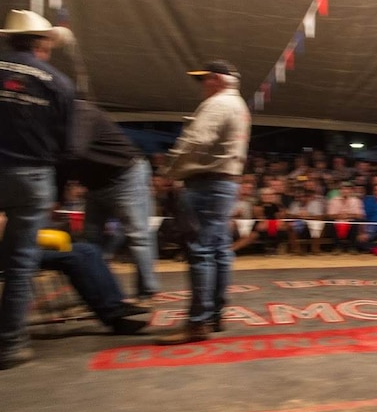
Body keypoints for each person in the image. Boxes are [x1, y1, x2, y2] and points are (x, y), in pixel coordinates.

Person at [0, 10, 75, 370]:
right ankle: (10, 344)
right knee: (19, 262)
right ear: (43, 43)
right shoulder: (57, 82)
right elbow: (65, 145)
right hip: (31, 175)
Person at [156, 60, 250, 344]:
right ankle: (214, 315)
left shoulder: (217, 105)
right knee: (219, 249)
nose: (202, 85)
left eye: (206, 79)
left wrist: (169, 172)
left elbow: (195, 142)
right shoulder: (239, 105)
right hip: (225, 182)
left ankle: (198, 322)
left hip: (207, 183)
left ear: (217, 79)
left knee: (201, 252)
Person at [60, 99, 160, 302]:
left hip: (126, 176)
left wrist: (57, 193)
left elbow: (74, 151)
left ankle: (148, 292)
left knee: (137, 235)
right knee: (91, 239)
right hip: (96, 184)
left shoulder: (81, 111)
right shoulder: (59, 120)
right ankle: (101, 292)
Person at [39, 241, 150, 335]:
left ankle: (115, 308)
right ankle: (112, 312)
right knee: (75, 258)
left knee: (89, 249)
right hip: (24, 251)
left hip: (30, 245)